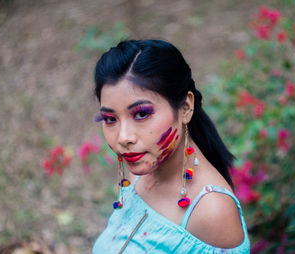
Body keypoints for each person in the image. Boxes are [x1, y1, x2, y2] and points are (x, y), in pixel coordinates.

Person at [92, 39, 250, 253]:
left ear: (186, 108)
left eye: (141, 114)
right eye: (110, 118)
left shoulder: (211, 211)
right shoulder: (142, 168)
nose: (123, 137)